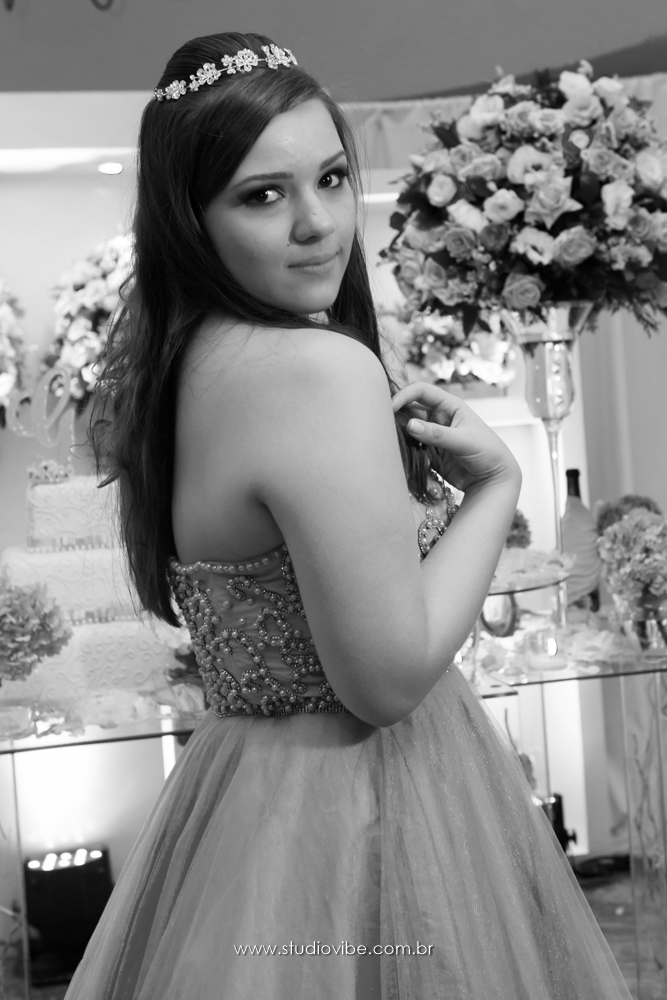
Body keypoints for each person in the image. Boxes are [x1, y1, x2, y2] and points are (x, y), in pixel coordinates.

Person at [65, 31, 632, 1000]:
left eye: (330, 179)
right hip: (364, 806)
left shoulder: (181, 368)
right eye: (262, 195)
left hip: (240, 806)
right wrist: (494, 490)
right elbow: (387, 679)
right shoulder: (313, 370)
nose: (318, 224)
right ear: (190, 220)